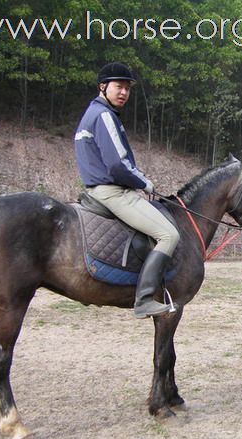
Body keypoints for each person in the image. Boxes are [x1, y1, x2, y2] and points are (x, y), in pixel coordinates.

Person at [74, 62, 180, 319]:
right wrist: (144, 183)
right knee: (169, 235)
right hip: (112, 192)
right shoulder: (104, 116)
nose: (123, 92)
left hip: (99, 189)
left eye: (127, 89)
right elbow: (117, 164)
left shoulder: (92, 113)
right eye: (118, 87)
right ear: (103, 87)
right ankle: (144, 299)